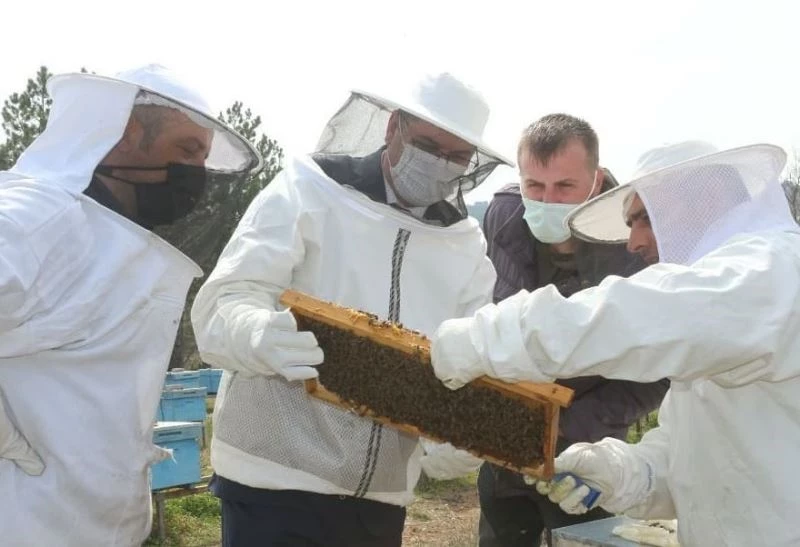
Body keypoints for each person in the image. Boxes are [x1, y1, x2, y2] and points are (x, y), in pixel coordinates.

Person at [190, 72, 513, 547]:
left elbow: (466, 357)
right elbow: (224, 303)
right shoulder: (309, 188)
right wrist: (258, 334)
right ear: (392, 128)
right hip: (272, 480)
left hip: (379, 498)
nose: (440, 164)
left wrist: (458, 439)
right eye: (427, 145)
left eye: (456, 156)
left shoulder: (465, 245)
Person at [430, 140, 800, 546]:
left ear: (702, 201)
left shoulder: (777, 268)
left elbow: (639, 315)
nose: (633, 243)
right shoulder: (720, 318)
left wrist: (488, 339)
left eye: (645, 219)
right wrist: (621, 472)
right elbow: (690, 461)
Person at [0, 64, 261, 546]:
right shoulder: (40, 215)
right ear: (125, 133)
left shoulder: (97, 229)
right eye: (186, 151)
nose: (195, 175)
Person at [476, 114, 668, 547]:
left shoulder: (636, 241)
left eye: (564, 187)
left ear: (596, 181)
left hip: (589, 443)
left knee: (587, 534)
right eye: (534, 187)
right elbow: (507, 323)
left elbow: (656, 369)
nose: (548, 200)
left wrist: (565, 428)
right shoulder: (505, 216)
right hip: (506, 436)